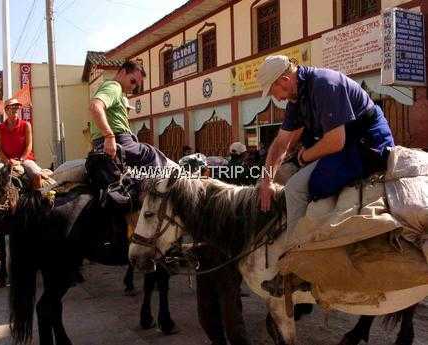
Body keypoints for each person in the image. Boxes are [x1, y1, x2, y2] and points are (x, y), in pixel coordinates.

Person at [256, 55, 394, 232]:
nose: (275, 98)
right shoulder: (295, 100)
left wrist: (304, 157)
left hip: (367, 143)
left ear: (284, 80)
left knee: (296, 188)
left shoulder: (324, 85)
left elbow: (336, 141)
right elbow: (280, 144)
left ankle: (297, 246)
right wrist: (267, 180)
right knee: (290, 173)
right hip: (341, 144)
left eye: (273, 92)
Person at [178, 153, 251, 345]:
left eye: (194, 175)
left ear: (206, 172)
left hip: (226, 262)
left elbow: (240, 227)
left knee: (232, 318)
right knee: (206, 315)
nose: (191, 180)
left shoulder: (223, 194)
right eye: (187, 176)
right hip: (204, 263)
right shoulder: (187, 199)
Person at [89, 61, 167, 168]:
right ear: (123, 72)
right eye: (132, 81)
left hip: (108, 141)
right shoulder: (114, 87)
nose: (133, 87)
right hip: (119, 141)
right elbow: (95, 106)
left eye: (137, 86)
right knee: (151, 154)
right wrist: (109, 136)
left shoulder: (115, 90)